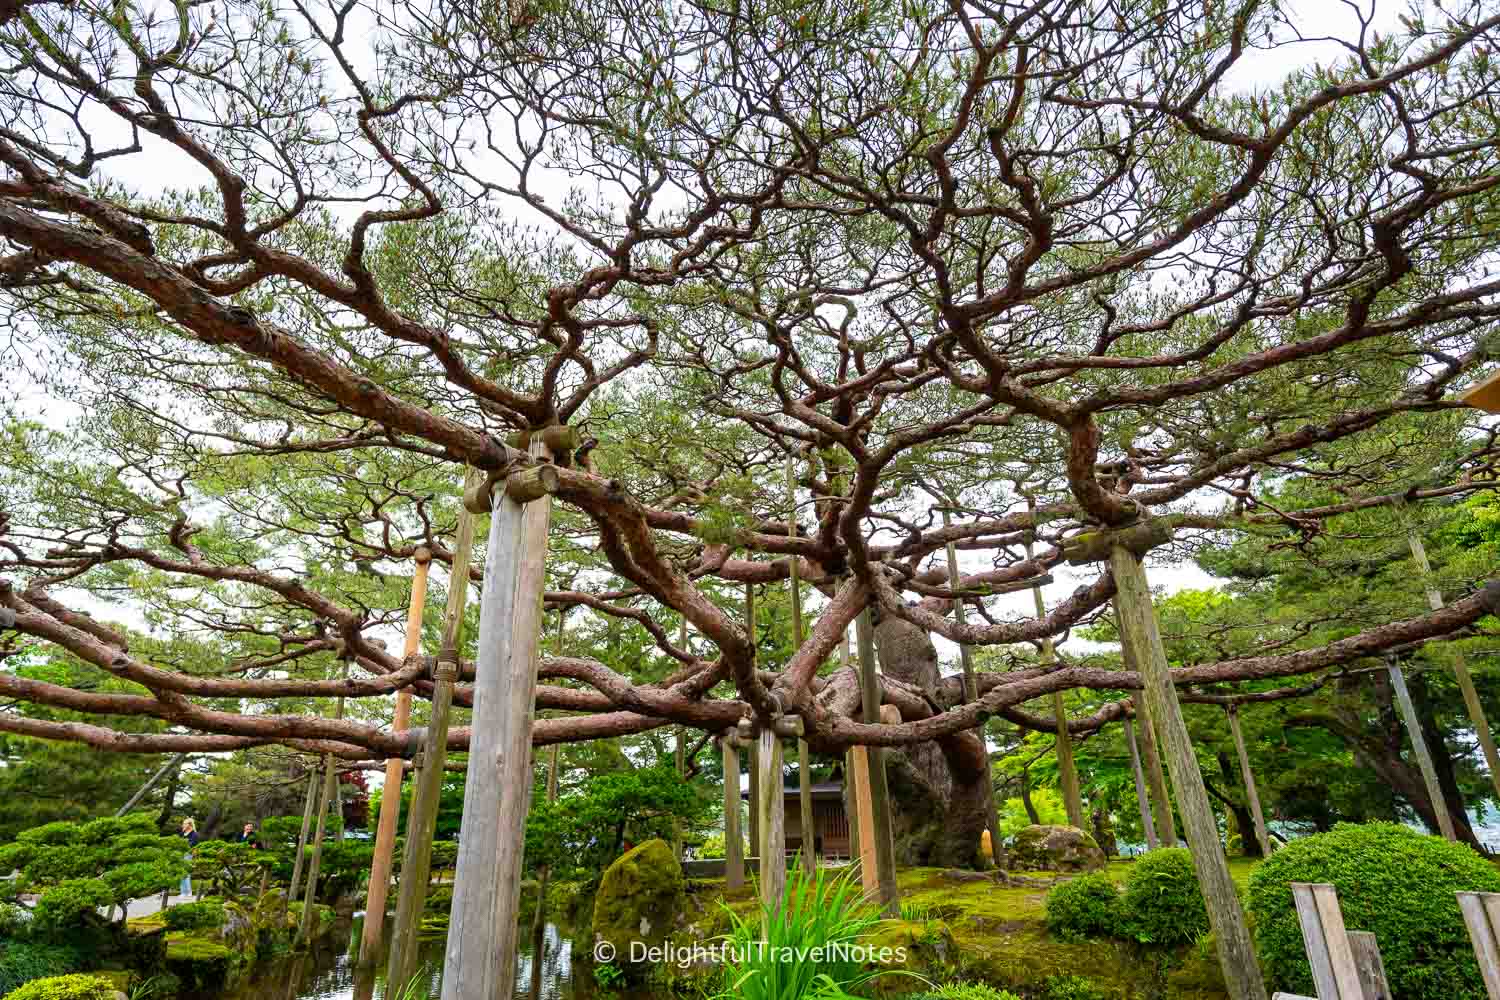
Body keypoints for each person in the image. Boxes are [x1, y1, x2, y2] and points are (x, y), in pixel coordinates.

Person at [179, 818, 200, 898]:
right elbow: (177, 841)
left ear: (190, 825)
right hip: (180, 854)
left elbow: (191, 845)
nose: (183, 825)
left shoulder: (194, 834)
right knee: (181, 873)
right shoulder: (182, 833)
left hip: (188, 854)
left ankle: (188, 891)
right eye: (183, 823)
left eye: (185, 824)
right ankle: (183, 892)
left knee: (186, 873)